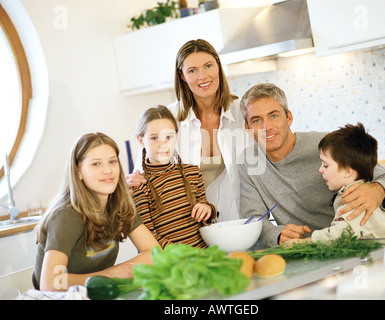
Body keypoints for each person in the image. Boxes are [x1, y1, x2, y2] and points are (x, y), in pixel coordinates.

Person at [238, 83, 385, 248]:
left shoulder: (326, 147)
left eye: (273, 116)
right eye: (256, 120)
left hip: (353, 245)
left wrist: (378, 189)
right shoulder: (247, 162)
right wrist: (276, 235)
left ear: (288, 117)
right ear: (247, 128)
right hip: (305, 252)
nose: (266, 127)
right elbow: (253, 219)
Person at [127, 39, 249, 221]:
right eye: (192, 70)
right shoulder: (167, 118)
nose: (202, 76)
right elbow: (142, 174)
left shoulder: (242, 112)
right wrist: (133, 182)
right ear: (182, 76)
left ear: (218, 66)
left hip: (235, 221)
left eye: (208, 66)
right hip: (183, 226)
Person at [33, 133, 160, 291]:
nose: (107, 170)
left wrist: (118, 273)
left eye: (112, 161)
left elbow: (156, 254)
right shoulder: (66, 216)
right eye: (96, 164)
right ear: (78, 171)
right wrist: (110, 274)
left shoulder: (120, 205)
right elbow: (51, 284)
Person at [132, 105, 218, 248]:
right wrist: (181, 254)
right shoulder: (140, 186)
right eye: (154, 138)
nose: (163, 144)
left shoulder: (193, 173)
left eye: (168, 137)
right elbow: (146, 235)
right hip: (172, 262)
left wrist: (207, 209)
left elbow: (205, 211)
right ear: (141, 141)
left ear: (176, 137)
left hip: (204, 256)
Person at [307, 122, 385, 242]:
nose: (320, 170)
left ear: (348, 171)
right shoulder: (359, 189)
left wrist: (302, 243)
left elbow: (338, 235)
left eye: (325, 165)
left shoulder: (358, 198)